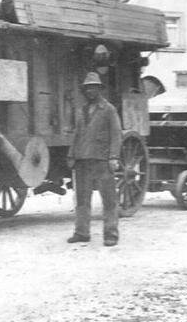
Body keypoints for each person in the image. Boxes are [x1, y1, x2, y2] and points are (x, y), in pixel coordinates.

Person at [66, 72, 123, 247]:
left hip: (102, 159)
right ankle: (82, 232)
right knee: (82, 199)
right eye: (87, 88)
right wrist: (71, 154)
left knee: (109, 198)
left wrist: (114, 156)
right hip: (82, 159)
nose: (90, 90)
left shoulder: (109, 109)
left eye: (94, 87)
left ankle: (111, 234)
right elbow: (76, 134)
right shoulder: (81, 110)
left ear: (99, 89)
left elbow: (116, 134)